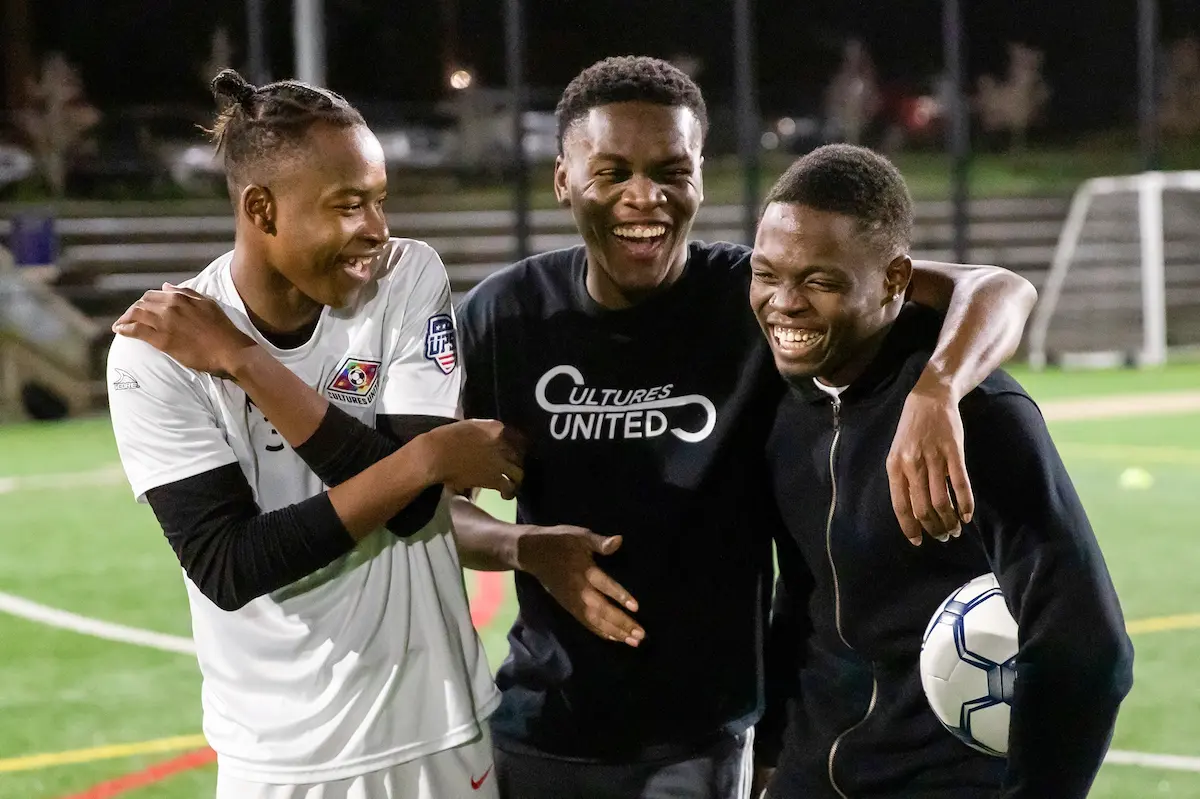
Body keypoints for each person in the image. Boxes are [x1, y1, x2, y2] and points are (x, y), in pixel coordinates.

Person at [449, 56, 1039, 799]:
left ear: (700, 171)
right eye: (613, 171)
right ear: (563, 179)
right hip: (538, 727)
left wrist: (939, 388)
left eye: (670, 169)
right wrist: (523, 547)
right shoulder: (506, 315)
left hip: (699, 741)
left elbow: (998, 289)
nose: (645, 196)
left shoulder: (756, 298)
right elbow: (422, 502)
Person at [106, 69, 523, 799]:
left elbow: (416, 509)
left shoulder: (405, 277)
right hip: (281, 755)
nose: (376, 229)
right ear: (261, 209)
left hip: (437, 723)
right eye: (348, 205)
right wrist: (423, 457)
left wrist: (247, 364)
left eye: (380, 201)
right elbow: (230, 565)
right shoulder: (153, 351)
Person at [752, 144, 1134, 798]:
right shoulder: (784, 402)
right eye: (767, 273)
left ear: (895, 281)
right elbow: (801, 601)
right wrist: (770, 756)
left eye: (820, 281)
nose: (784, 303)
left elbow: (1087, 647)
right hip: (808, 779)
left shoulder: (981, 417)